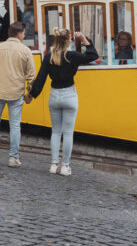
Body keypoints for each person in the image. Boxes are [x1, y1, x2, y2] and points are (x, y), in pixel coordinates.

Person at [27, 28, 98, 176]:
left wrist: (31, 95)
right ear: (68, 41)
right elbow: (93, 56)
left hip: (54, 96)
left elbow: (40, 79)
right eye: (71, 39)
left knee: (55, 132)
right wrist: (84, 40)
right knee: (68, 133)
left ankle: (53, 165)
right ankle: (65, 166)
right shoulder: (72, 56)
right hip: (70, 96)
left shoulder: (49, 57)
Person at [0, 21, 36, 167]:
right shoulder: (25, 50)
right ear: (19, 34)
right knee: (15, 125)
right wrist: (29, 93)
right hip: (16, 93)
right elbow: (31, 75)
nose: (24, 35)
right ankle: (13, 158)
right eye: (23, 32)